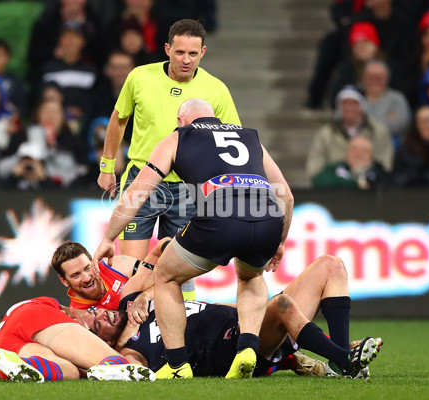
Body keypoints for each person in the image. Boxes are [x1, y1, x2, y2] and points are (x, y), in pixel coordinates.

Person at [94, 98, 293, 380]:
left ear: (181, 120)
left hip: (220, 218)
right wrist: (280, 241)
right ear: (217, 120)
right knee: (250, 276)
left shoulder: (178, 138)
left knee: (164, 276)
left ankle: (177, 366)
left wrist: (108, 237)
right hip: (268, 219)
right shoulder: (249, 136)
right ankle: (247, 348)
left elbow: (138, 192)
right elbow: (285, 193)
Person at [94, 255, 383, 380]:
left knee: (330, 266)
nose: (102, 315)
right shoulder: (130, 350)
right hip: (237, 348)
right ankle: (347, 362)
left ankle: (341, 357)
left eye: (97, 312)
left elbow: (163, 255)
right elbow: (124, 368)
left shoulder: (132, 304)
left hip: (249, 319)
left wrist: (146, 294)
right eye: (97, 324)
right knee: (282, 304)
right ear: (104, 342)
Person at [97, 19, 240, 262]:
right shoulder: (140, 77)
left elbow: (232, 140)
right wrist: (106, 166)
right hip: (141, 179)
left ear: (203, 52)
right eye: (180, 52)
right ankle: (133, 301)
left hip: (187, 187)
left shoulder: (217, 90)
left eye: (193, 53)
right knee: (131, 266)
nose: (186, 60)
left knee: (176, 273)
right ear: (167, 49)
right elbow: (118, 119)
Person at [0, 296, 155, 382]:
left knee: (70, 371)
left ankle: (19, 364)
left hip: (5, 345)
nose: (102, 314)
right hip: (30, 314)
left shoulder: (72, 324)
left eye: (100, 324)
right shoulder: (71, 315)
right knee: (124, 367)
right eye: (97, 313)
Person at [306, 85, 393, 180]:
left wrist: (367, 172)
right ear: (339, 106)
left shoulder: (379, 131)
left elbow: (386, 164)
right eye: (345, 103)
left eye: (354, 103)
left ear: (362, 105)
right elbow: (314, 168)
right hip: (334, 187)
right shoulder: (325, 134)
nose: (349, 107)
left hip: (371, 188)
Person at [361, 60, 411, 146]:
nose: (375, 81)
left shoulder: (397, 99)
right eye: (371, 77)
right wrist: (386, 119)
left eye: (379, 77)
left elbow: (401, 124)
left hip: (390, 145)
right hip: (359, 143)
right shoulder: (355, 97)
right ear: (364, 77)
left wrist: (365, 122)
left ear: (387, 78)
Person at [312, 135, 389, 189]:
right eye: (354, 149)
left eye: (364, 151)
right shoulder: (333, 169)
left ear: (371, 156)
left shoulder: (381, 173)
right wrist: (356, 184)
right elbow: (318, 181)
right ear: (347, 153)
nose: (358, 154)